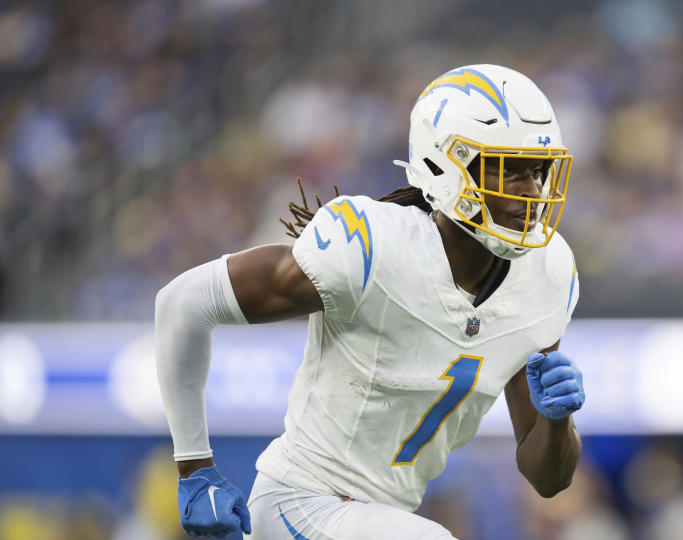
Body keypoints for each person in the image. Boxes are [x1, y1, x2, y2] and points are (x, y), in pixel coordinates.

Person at [155, 64, 585, 539]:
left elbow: (549, 479)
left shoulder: (549, 275)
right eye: (509, 170)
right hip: (301, 504)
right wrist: (194, 469)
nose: (531, 192)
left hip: (383, 518)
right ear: (448, 165)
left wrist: (557, 420)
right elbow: (183, 301)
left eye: (538, 171)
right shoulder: (370, 248)